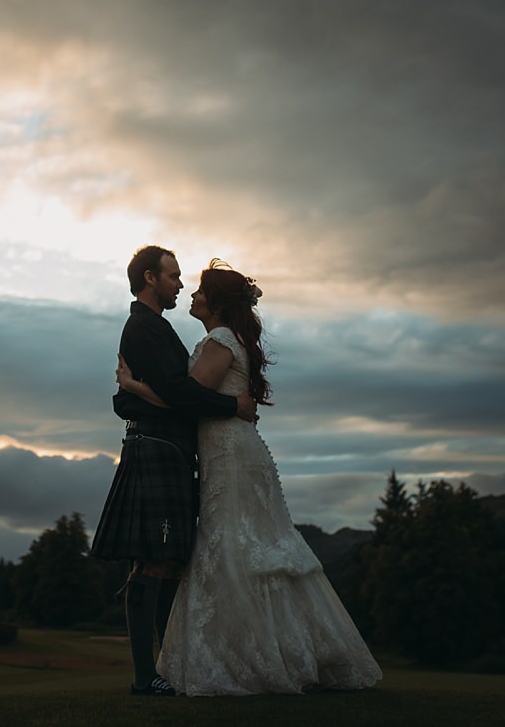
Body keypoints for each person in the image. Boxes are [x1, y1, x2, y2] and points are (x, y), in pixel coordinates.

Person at [117, 259, 382, 696]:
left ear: (216, 304)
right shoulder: (216, 337)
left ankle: (254, 657)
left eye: (200, 290)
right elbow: (191, 395)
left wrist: (135, 388)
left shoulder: (219, 339)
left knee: (236, 548)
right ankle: (265, 651)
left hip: (230, 455)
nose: (191, 292)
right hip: (230, 451)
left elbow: (191, 400)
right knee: (248, 547)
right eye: (182, 281)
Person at [90, 245, 258, 697]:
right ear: (150, 278)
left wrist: (130, 392)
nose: (180, 284)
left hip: (168, 448)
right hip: (157, 448)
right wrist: (231, 405)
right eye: (173, 276)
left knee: (168, 561)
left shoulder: (157, 327)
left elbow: (158, 393)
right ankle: (147, 677)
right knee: (153, 560)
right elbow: (180, 394)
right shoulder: (143, 327)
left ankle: (166, 669)